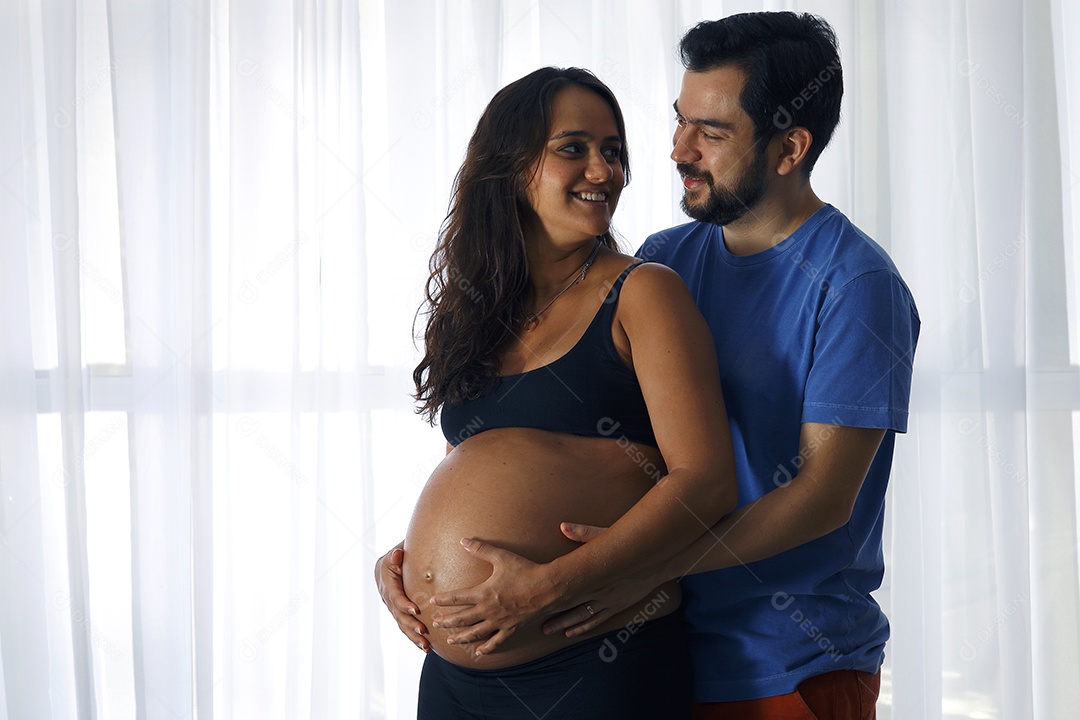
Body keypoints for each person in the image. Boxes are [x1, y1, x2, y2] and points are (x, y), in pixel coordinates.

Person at [378, 13, 921, 720]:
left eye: (712, 134)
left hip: (783, 661)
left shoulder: (855, 285)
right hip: (657, 638)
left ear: (790, 148)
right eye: (679, 122)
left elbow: (822, 498)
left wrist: (616, 572)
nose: (677, 151)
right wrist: (420, 558)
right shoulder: (668, 256)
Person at [384, 66, 738, 719]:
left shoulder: (643, 293)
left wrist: (547, 587)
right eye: (573, 149)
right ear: (510, 167)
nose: (603, 171)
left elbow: (708, 483)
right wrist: (407, 563)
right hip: (453, 681)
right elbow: (486, 468)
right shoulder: (475, 312)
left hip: (590, 665)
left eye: (613, 152)